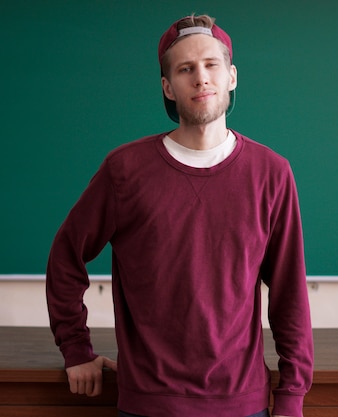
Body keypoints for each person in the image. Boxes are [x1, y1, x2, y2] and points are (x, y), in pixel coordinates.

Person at [46, 14, 314, 417]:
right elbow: (66, 255)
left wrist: (292, 394)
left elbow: (289, 292)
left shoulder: (271, 173)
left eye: (211, 65)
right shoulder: (125, 170)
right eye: (185, 69)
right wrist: (75, 348)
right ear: (168, 87)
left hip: (242, 403)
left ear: (232, 77)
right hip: (147, 404)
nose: (201, 78)